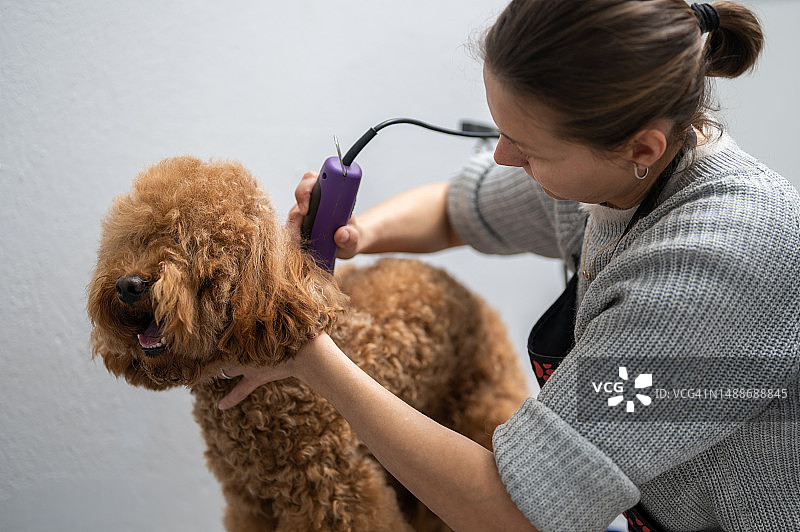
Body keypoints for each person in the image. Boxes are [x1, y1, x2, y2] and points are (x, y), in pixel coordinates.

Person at [218, 0, 800, 530]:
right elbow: (454, 211)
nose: (502, 156)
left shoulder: (716, 269)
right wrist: (355, 233)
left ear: (640, 148)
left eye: (528, 147)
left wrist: (312, 358)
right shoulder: (626, 172)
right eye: (502, 129)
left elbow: (513, 513)